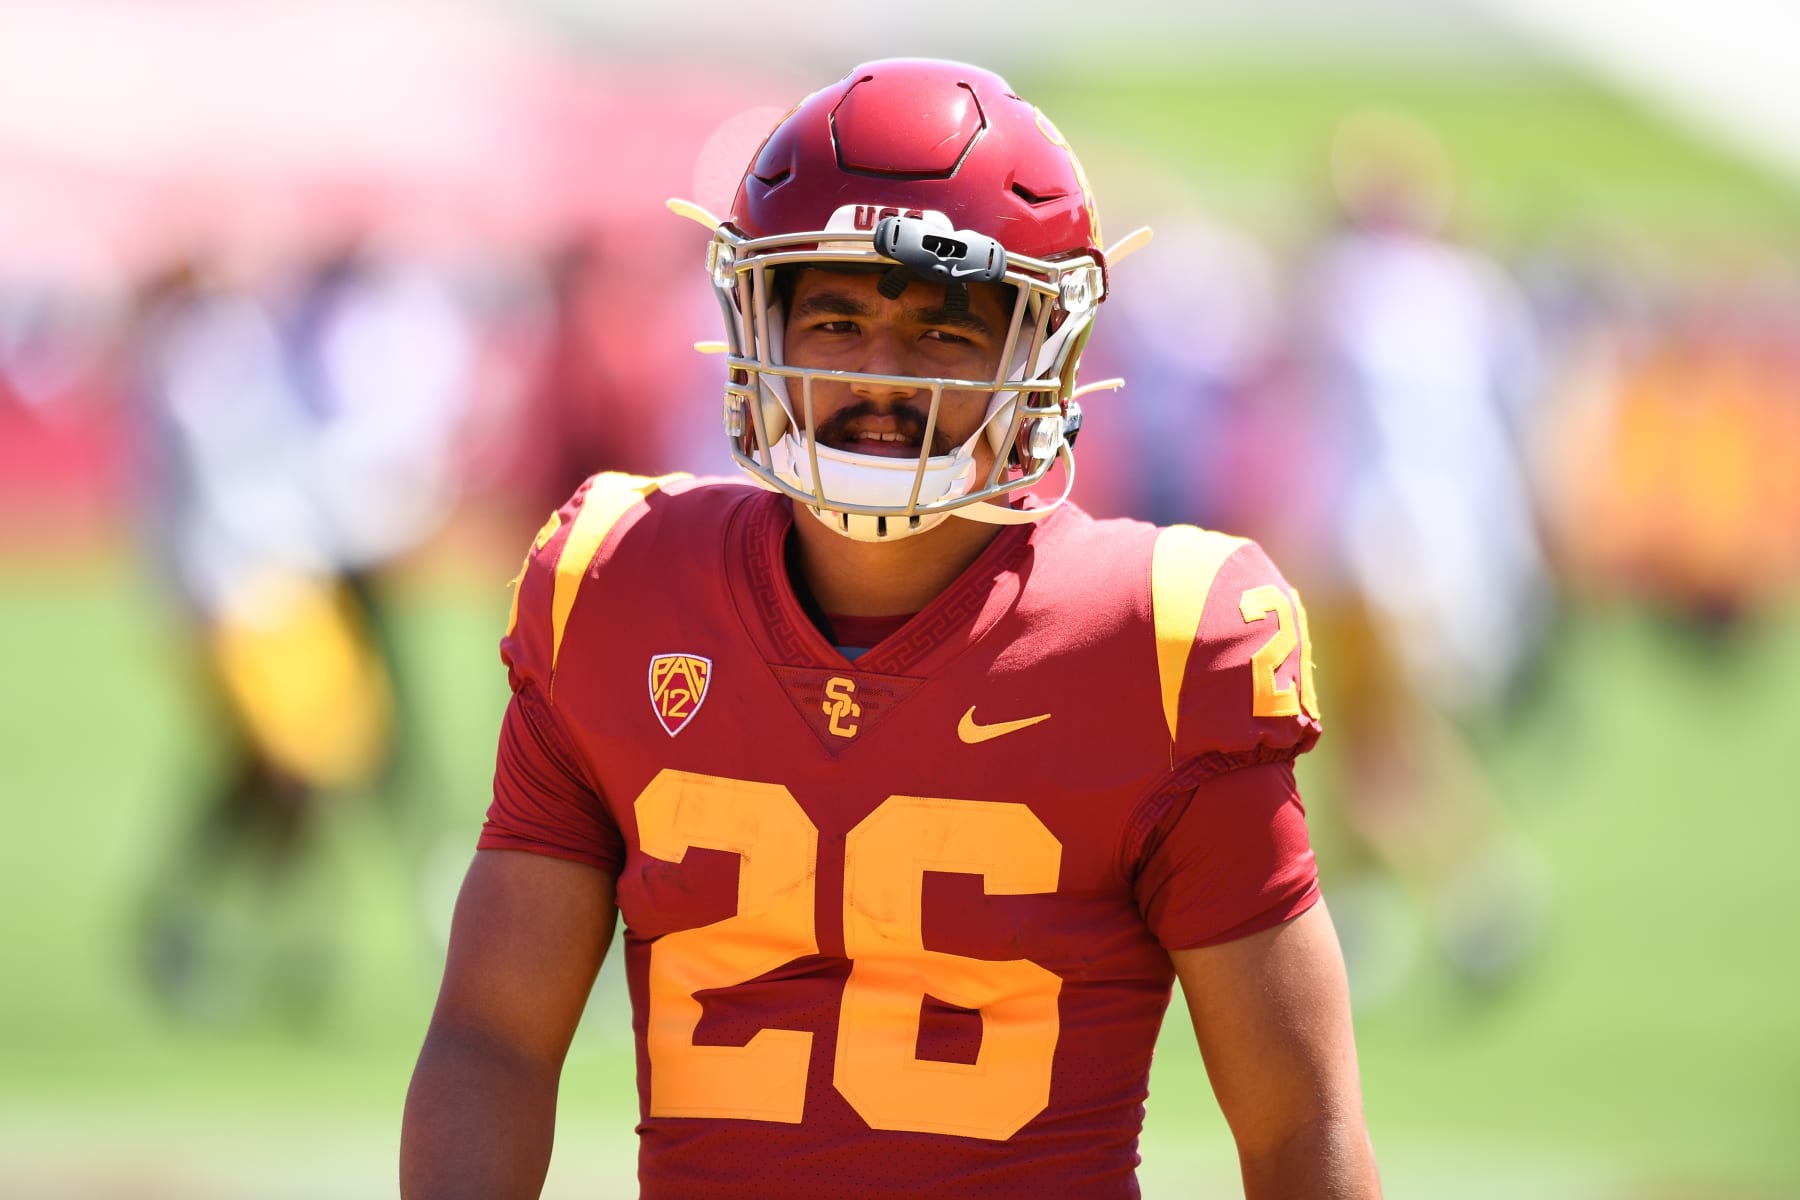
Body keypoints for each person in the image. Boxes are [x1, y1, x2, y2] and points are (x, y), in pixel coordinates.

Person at [402, 58, 1379, 1199]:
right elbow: (493, 1037)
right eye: (833, 318)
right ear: (751, 320)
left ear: (1042, 352)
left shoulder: (1162, 640)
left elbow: (1297, 1121)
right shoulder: (613, 582)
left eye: (944, 335)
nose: (881, 376)